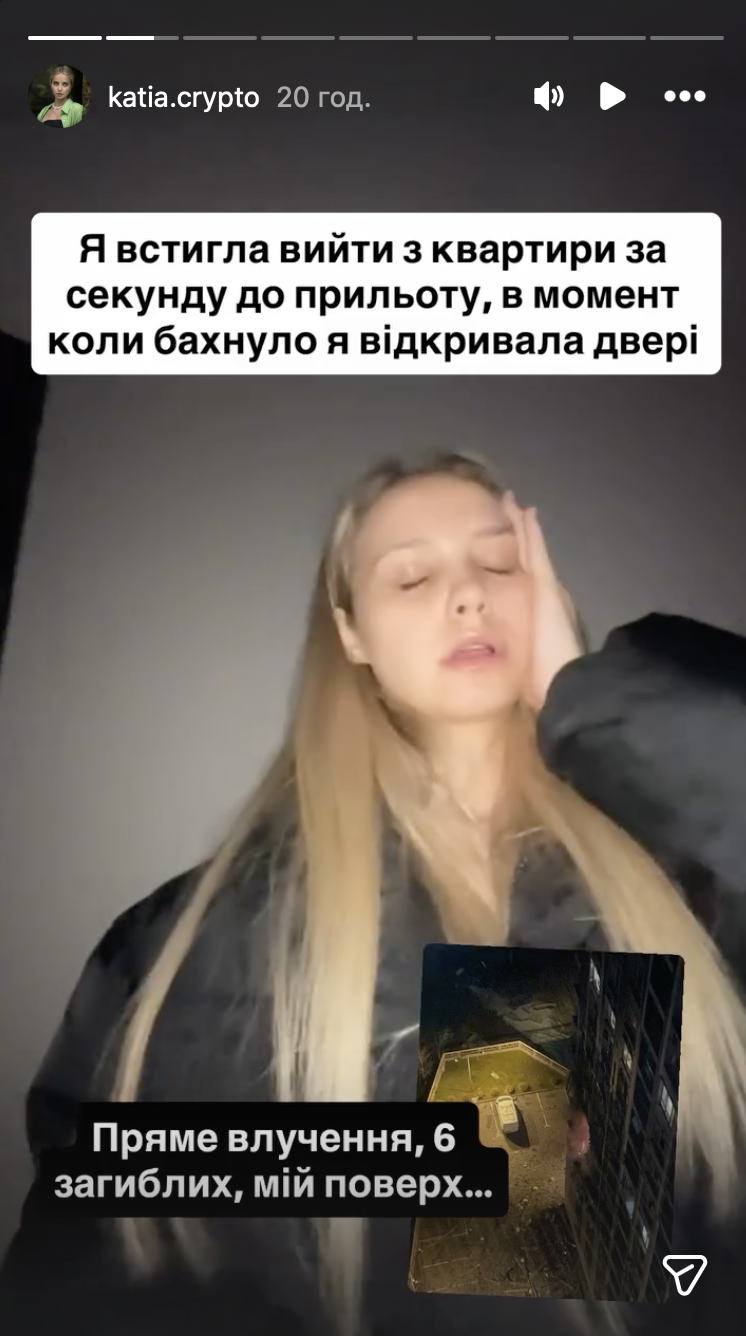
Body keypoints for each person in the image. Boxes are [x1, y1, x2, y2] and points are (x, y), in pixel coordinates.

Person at [2, 450, 746, 1336]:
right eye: (413, 577)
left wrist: (593, 695)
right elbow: (94, 1276)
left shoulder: (691, 881)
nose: (467, 596)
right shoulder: (196, 943)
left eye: (499, 563)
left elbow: (559, 1256)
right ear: (351, 634)